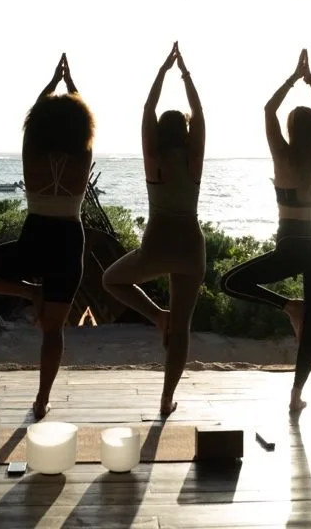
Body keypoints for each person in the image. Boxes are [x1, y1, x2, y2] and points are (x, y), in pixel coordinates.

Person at [0, 53, 93, 419]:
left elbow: (31, 123)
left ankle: (27, 291)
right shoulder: (83, 157)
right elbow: (85, 122)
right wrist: (71, 89)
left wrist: (51, 86)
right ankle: (42, 399)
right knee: (52, 331)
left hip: (35, 238)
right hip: (68, 241)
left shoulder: (31, 155)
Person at [220, 49, 311, 413]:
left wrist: (292, 78)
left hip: (292, 246)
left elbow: (269, 110)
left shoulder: (282, 156)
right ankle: (295, 395)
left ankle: (288, 307)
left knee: (229, 282)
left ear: (290, 130)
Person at [102, 42, 207, 418]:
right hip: (191, 247)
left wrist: (163, 71)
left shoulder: (154, 160)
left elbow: (148, 111)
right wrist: (185, 74)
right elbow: (201, 115)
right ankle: (166, 399)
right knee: (182, 329)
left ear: (161, 135)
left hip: (158, 244)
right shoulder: (194, 162)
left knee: (111, 280)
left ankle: (155, 314)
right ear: (187, 133)